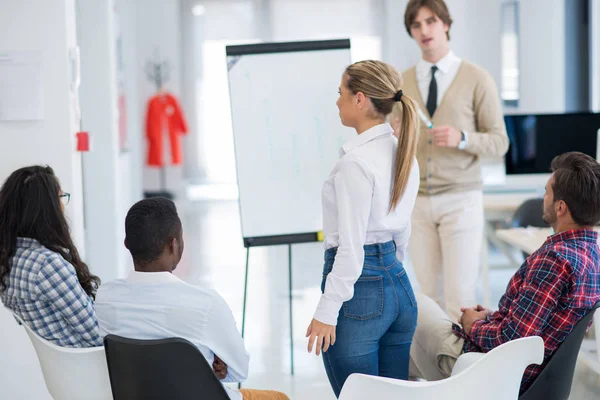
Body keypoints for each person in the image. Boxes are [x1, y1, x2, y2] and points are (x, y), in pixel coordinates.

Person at [410, 152, 600, 394]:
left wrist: (471, 326)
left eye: (546, 193)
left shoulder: (555, 261)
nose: (543, 198)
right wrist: (491, 318)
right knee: (409, 350)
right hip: (528, 376)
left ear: (560, 207)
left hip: (495, 373)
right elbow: (534, 323)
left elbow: (511, 342)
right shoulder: (591, 254)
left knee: (412, 304)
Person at [95, 197, 289, 400]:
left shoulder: (106, 298)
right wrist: (208, 365)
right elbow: (239, 371)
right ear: (174, 245)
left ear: (127, 244)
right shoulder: (206, 305)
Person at [305, 60, 420, 397]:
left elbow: (351, 250)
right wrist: (390, 271)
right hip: (399, 289)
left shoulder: (355, 162)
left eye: (340, 93)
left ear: (360, 99)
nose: (336, 101)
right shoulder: (404, 153)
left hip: (361, 298)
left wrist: (327, 311)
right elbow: (402, 232)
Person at [402, 0, 509, 320]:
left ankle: (463, 368)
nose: (424, 31)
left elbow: (500, 142)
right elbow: (396, 144)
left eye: (431, 21)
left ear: (446, 24)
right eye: (416, 25)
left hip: (461, 199)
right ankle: (437, 370)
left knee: (460, 297)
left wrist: (462, 138)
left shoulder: (477, 78)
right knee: (428, 298)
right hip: (417, 202)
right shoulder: (402, 83)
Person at [0, 165, 101, 347]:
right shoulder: (47, 266)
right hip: (91, 366)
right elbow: (96, 334)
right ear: (48, 209)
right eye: (60, 197)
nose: (63, 206)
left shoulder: (10, 259)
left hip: (65, 369)